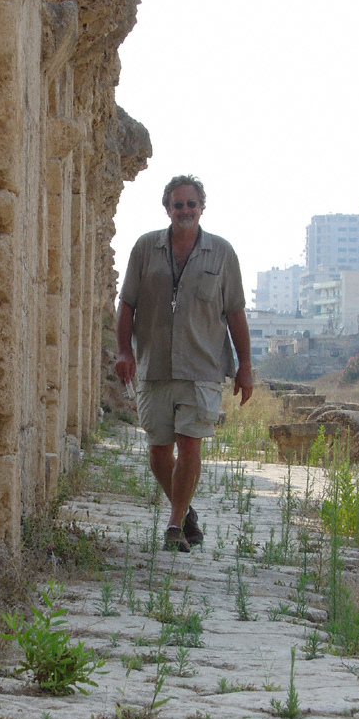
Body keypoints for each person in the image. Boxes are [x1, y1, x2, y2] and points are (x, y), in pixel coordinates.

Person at [115, 175, 253, 552]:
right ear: (167, 209)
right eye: (178, 205)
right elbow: (127, 302)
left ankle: (174, 524)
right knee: (160, 449)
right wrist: (125, 352)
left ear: (202, 208)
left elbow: (236, 311)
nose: (185, 211)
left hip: (202, 366)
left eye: (191, 204)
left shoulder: (222, 253)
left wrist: (245, 366)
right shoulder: (145, 248)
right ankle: (186, 510)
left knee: (190, 444)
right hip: (155, 364)